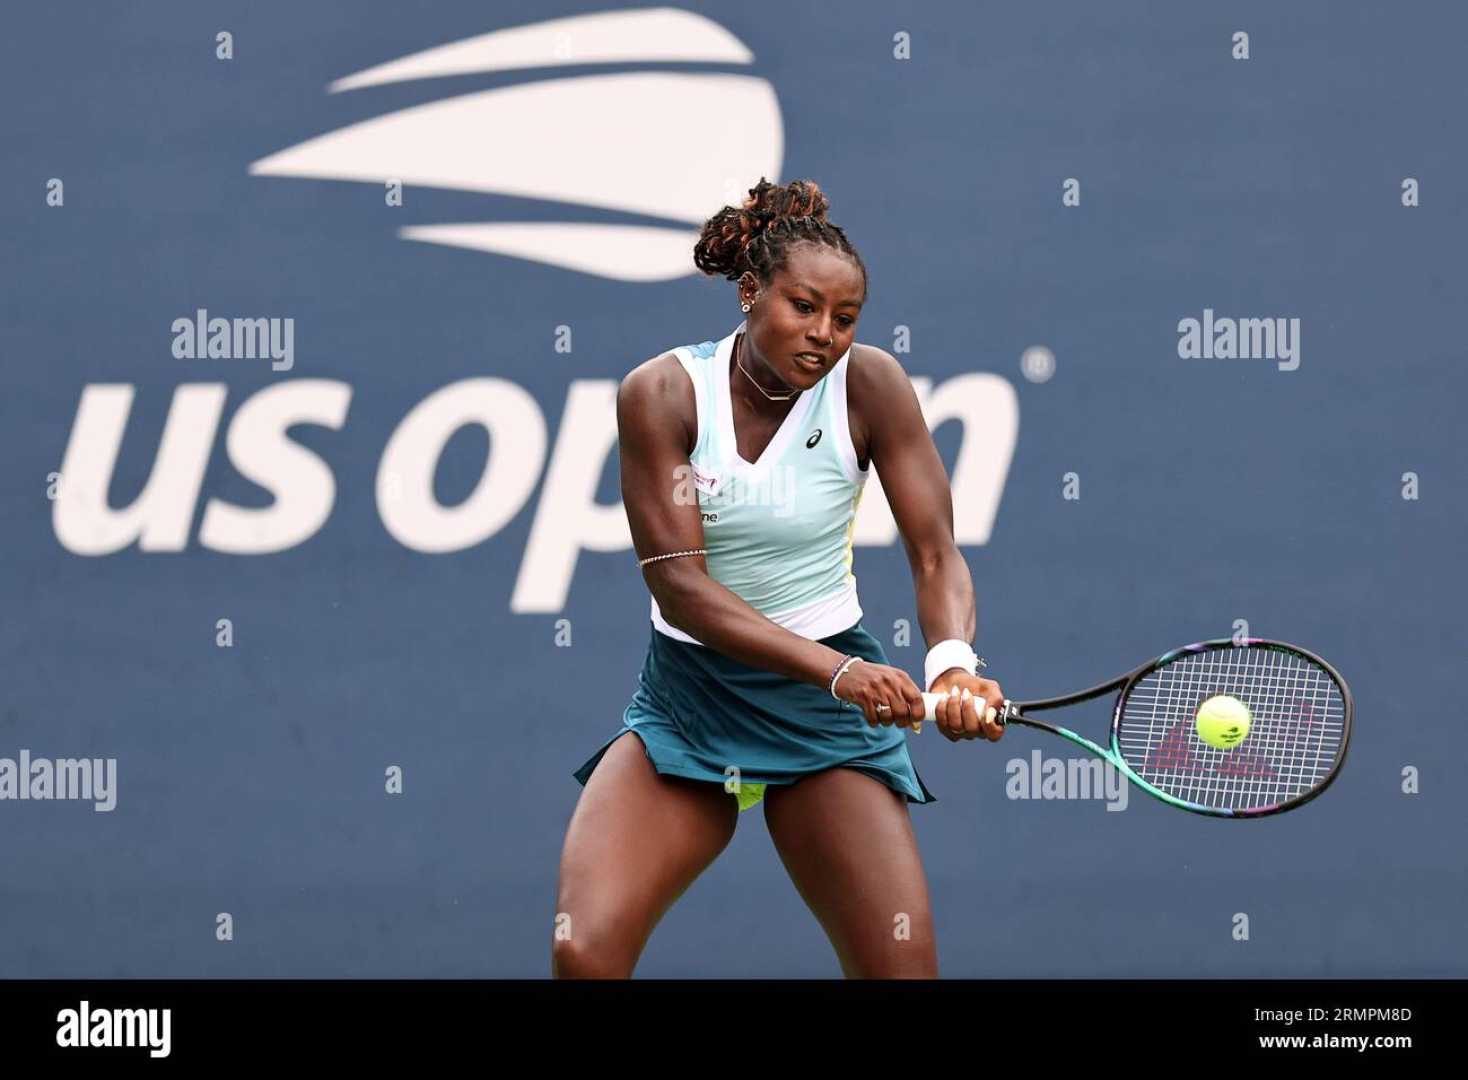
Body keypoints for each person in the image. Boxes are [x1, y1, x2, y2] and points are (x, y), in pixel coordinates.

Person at [552, 178, 1006, 979]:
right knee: (581, 952)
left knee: (901, 970)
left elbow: (935, 554)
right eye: (804, 308)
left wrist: (953, 667)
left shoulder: (871, 387)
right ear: (750, 292)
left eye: (845, 318)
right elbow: (682, 591)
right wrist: (843, 673)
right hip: (692, 701)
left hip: (822, 718)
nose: (824, 334)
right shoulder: (662, 395)